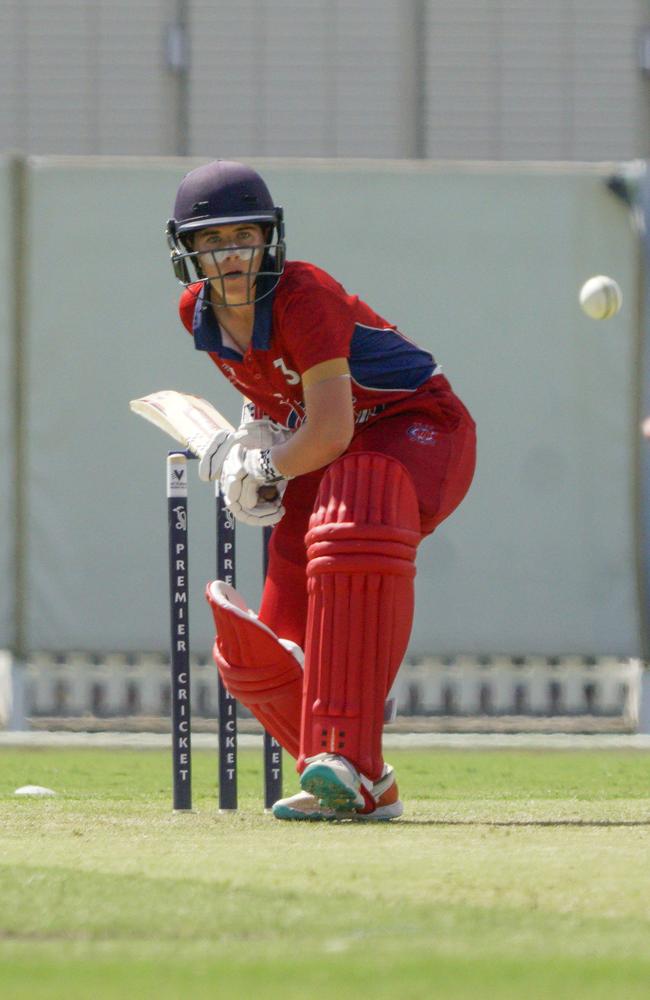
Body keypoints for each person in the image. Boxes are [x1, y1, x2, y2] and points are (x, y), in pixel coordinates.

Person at [166, 159, 476, 821]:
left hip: (417, 426)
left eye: (243, 237)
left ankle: (350, 744)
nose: (231, 255)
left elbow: (332, 430)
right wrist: (248, 449)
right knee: (269, 654)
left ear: (268, 238)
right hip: (333, 451)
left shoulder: (304, 294)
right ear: (188, 250)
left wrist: (271, 467)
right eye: (213, 242)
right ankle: (354, 776)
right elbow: (275, 401)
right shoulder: (198, 313)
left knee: (355, 525)